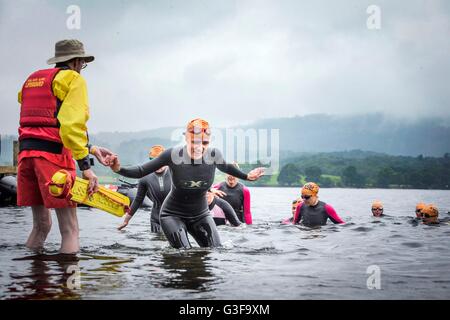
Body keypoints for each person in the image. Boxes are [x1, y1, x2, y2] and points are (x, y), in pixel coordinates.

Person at [17, 39, 113, 254]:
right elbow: (70, 125)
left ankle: (31, 282)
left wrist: (92, 148)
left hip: (26, 157)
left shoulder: (32, 79)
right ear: (78, 61)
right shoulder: (73, 79)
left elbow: (48, 121)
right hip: (54, 160)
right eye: (83, 64)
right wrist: (86, 168)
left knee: (41, 226)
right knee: (70, 230)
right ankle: (68, 286)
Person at [108, 118, 264, 248]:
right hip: (172, 215)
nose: (199, 147)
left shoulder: (214, 155)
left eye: (204, 143)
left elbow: (227, 166)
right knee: (184, 255)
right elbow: (141, 170)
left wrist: (247, 176)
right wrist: (118, 169)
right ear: (186, 138)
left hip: (200, 214)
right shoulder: (173, 155)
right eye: (194, 142)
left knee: (216, 251)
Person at [118, 145, 171, 233]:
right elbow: (138, 200)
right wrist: (126, 221)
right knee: (157, 244)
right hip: (156, 219)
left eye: (160, 162)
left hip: (174, 218)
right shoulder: (145, 177)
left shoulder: (175, 173)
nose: (158, 166)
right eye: (154, 162)